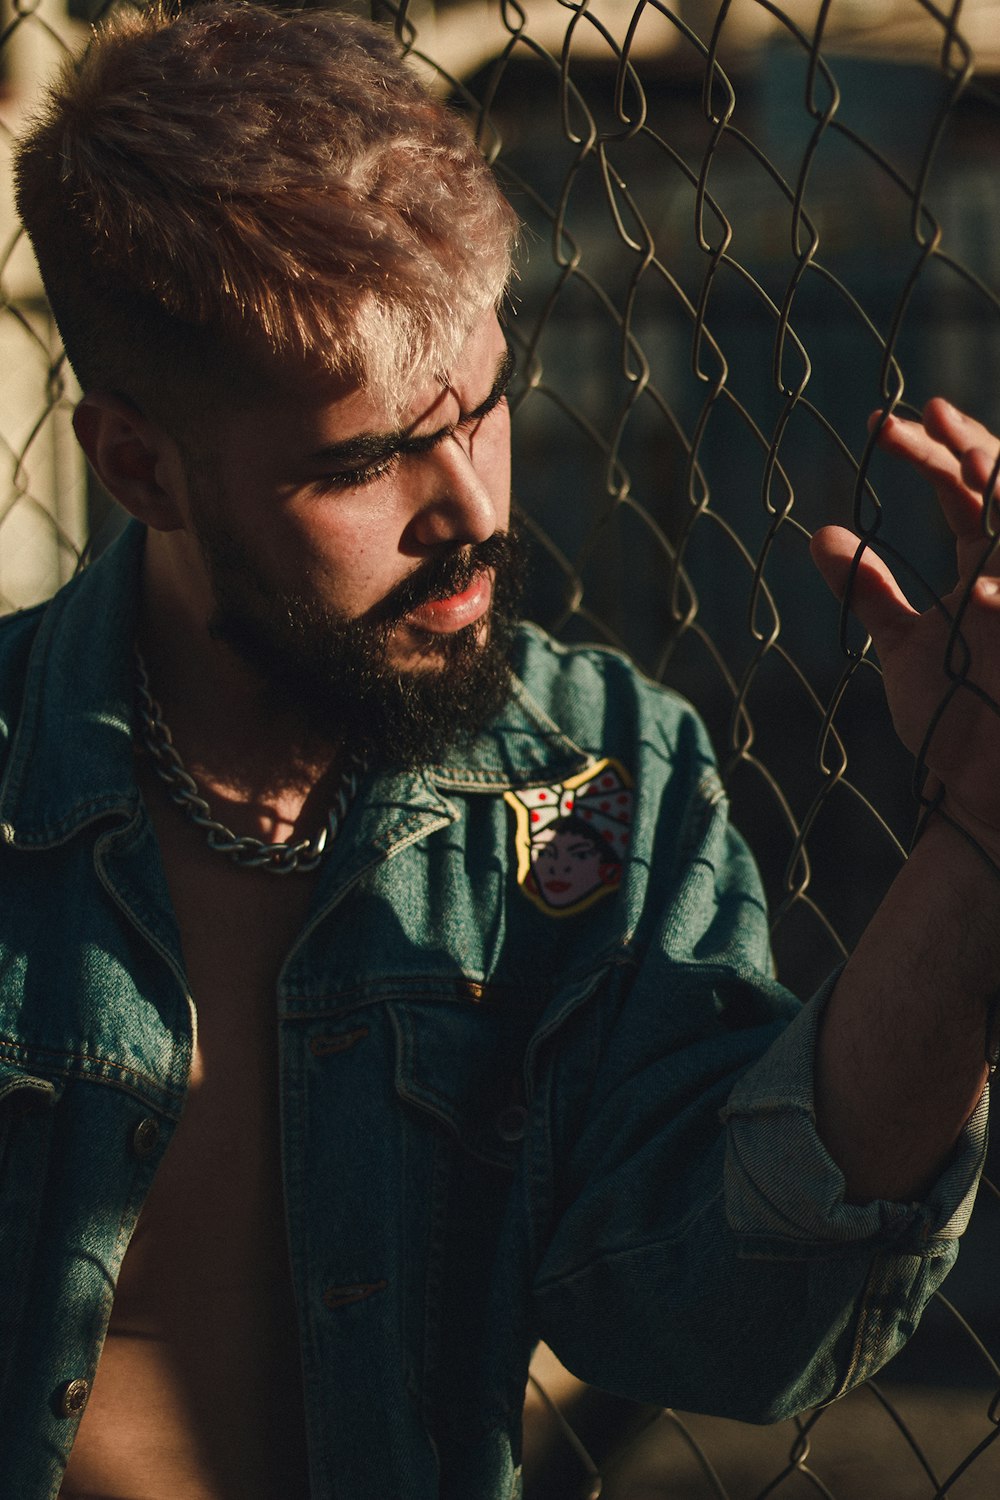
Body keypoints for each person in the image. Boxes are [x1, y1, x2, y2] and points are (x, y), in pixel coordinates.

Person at [4, 4, 999, 1497]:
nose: (470, 509)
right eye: (360, 463)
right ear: (139, 465)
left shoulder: (605, 778)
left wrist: (981, 840)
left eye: (482, 407)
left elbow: (736, 1317)